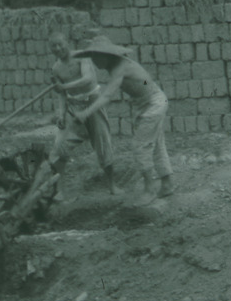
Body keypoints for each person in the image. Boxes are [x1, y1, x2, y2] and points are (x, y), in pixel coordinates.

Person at [72, 36, 174, 198]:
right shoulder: (116, 66)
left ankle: (149, 189)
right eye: (92, 57)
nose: (94, 61)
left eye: (97, 57)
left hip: (154, 103)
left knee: (140, 146)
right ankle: (167, 184)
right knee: (156, 144)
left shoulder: (121, 67)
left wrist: (86, 112)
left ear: (106, 55)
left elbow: (107, 96)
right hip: (147, 102)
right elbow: (144, 81)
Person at [42, 32, 118, 195]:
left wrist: (64, 87)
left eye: (60, 44)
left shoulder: (82, 57)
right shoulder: (56, 68)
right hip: (74, 107)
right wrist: (61, 114)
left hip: (93, 104)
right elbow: (62, 95)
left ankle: (112, 185)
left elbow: (88, 79)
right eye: (53, 46)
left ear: (67, 43)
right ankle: (60, 190)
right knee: (59, 147)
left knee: (102, 145)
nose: (58, 48)